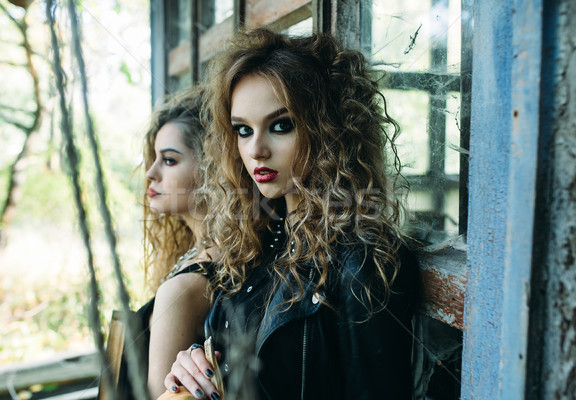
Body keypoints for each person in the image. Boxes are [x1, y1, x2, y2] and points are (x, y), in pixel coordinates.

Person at [164, 28, 420, 400]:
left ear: (328, 131)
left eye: (281, 125)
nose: (256, 150)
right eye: (243, 130)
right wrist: (192, 366)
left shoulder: (361, 262)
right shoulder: (254, 245)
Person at [116, 86, 215, 400]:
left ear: (212, 171)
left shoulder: (184, 288)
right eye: (154, 159)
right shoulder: (210, 255)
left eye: (169, 160)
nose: (150, 173)